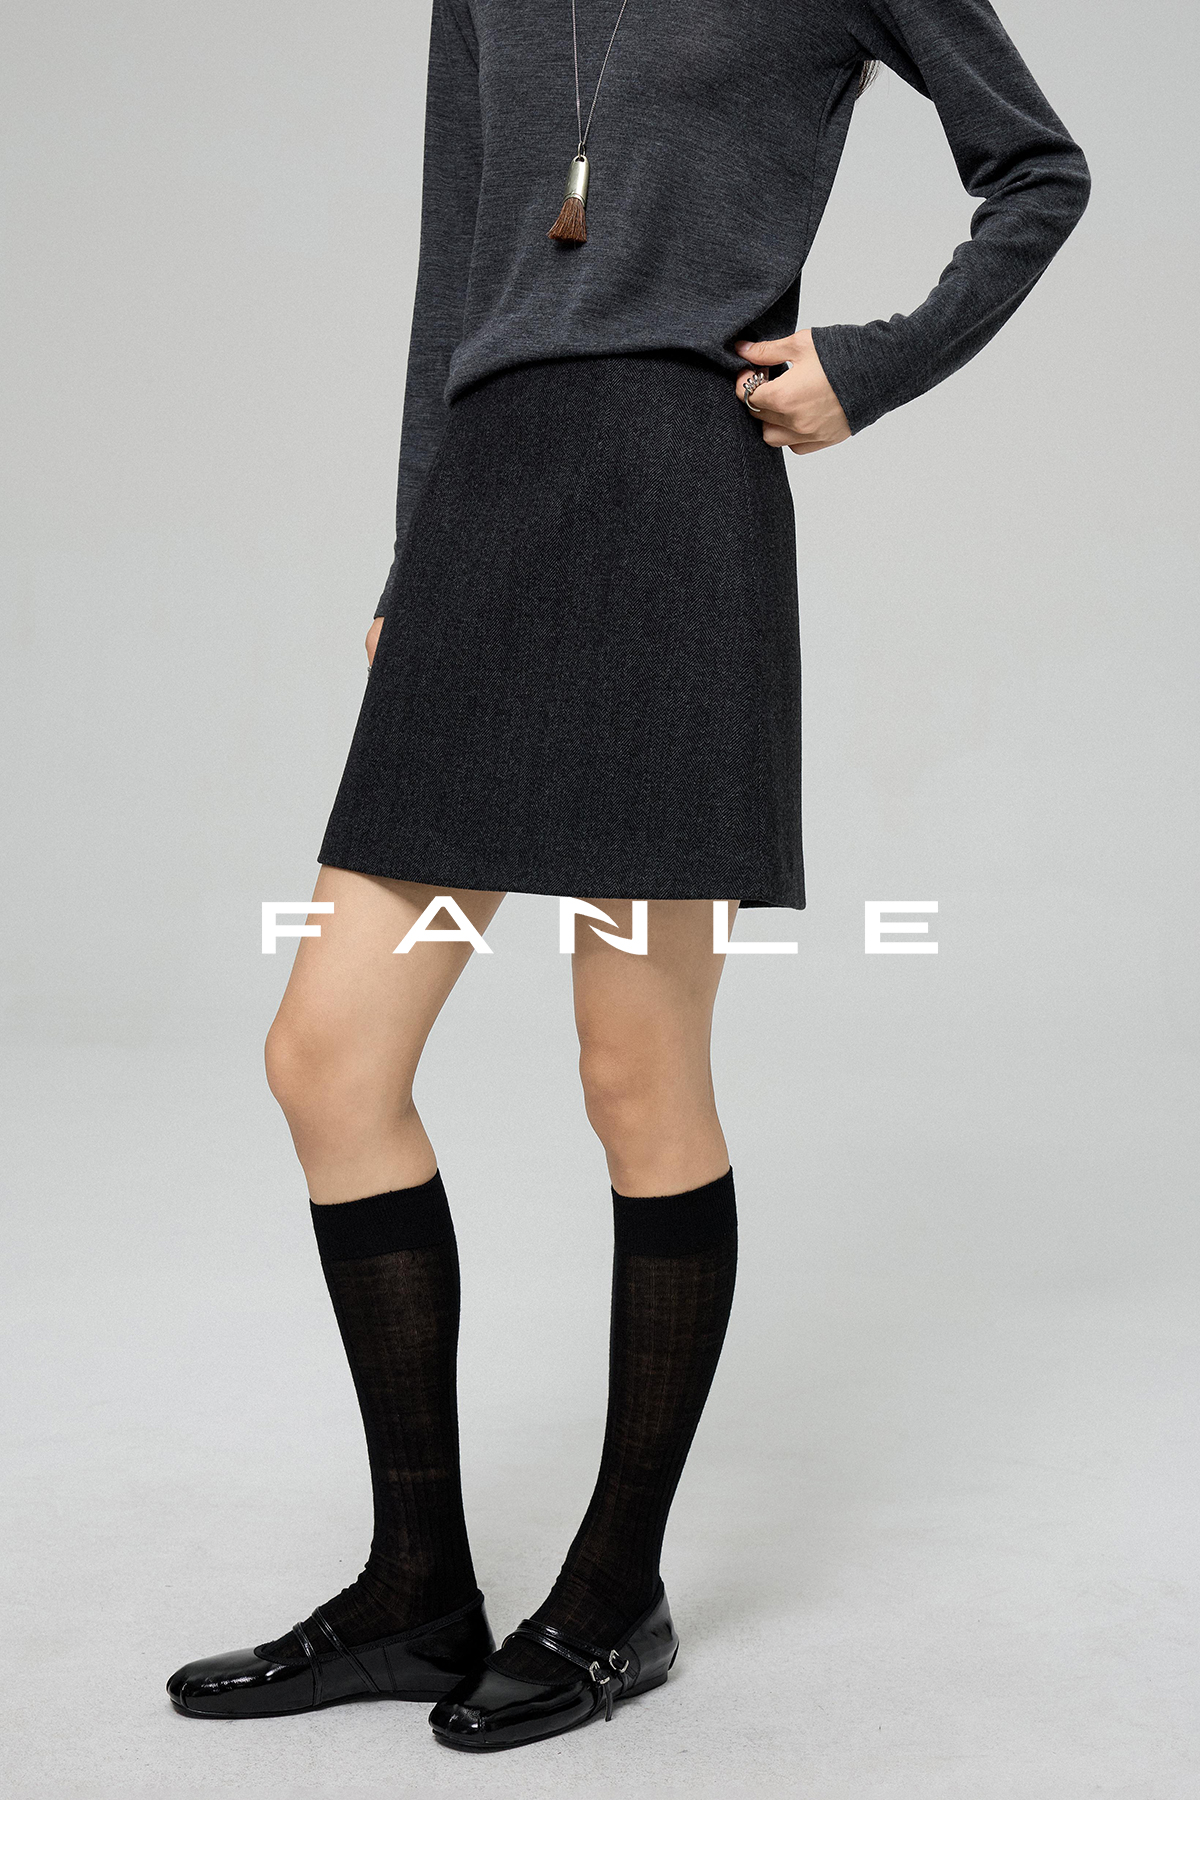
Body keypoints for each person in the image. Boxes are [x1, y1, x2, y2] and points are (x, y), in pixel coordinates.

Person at [167, 0, 1089, 1752]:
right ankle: (416, 1587)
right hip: (490, 505)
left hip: (677, 506)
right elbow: (452, 269)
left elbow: (1038, 167)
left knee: (633, 1071)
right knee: (326, 1055)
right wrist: (415, 547)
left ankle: (615, 1588)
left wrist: (871, 364)